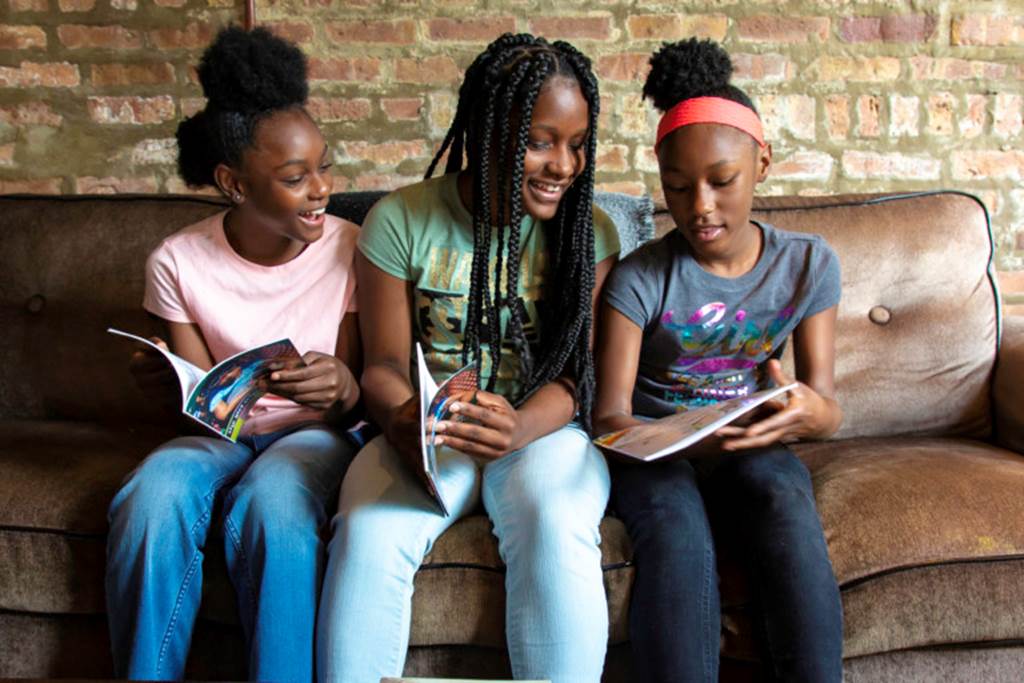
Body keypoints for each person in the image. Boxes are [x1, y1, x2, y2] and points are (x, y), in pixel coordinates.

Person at [316, 32, 619, 683]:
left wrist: (518, 426)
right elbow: (385, 364)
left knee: (558, 520)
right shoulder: (399, 220)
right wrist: (402, 418)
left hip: (539, 431)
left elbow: (577, 376)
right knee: (367, 531)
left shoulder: (589, 234)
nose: (563, 165)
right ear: (486, 132)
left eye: (577, 143)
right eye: (541, 141)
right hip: (434, 432)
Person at [105, 26, 361, 683]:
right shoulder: (177, 262)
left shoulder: (354, 247)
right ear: (234, 182)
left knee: (274, 502)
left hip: (314, 435)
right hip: (227, 435)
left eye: (324, 166)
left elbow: (362, 382)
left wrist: (340, 385)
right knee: (151, 491)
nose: (320, 189)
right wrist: (170, 384)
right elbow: (202, 412)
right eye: (294, 177)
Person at [593, 38, 844, 682]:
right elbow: (609, 420)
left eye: (722, 181)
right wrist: (676, 439)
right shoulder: (640, 279)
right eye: (677, 188)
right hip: (659, 450)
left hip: (746, 440)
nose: (699, 206)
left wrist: (808, 414)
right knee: (675, 528)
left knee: (785, 493)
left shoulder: (808, 264)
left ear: (763, 162)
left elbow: (824, 407)